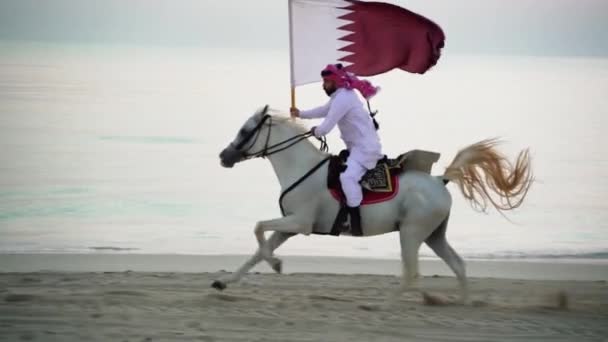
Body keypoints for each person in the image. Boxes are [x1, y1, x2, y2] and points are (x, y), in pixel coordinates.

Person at [290, 63, 383, 235]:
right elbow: (323, 110)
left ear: (334, 81)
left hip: (364, 150)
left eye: (326, 82)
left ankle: (355, 220)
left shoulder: (343, 99)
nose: (323, 85)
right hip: (357, 147)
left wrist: (315, 131)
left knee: (347, 178)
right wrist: (300, 114)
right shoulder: (340, 96)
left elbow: (325, 128)